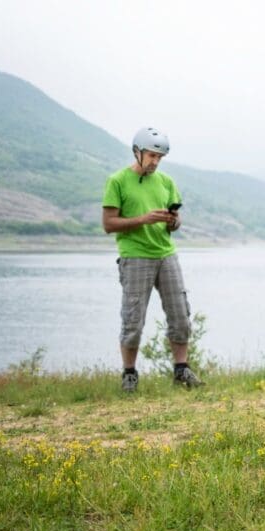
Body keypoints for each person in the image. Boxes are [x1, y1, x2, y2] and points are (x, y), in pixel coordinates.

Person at [102, 127, 203, 392]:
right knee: (133, 319)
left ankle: (181, 370)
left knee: (180, 314)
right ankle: (129, 375)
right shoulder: (117, 181)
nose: (155, 162)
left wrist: (173, 221)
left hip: (166, 254)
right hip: (135, 256)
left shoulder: (166, 182)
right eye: (151, 156)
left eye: (159, 157)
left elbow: (176, 223)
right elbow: (109, 224)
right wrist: (144, 219)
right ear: (137, 152)